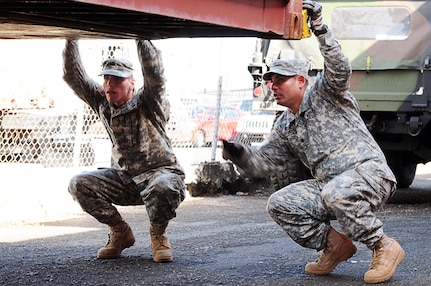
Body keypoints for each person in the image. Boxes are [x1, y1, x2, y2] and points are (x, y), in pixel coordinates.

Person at [222, 0, 405, 283]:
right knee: (280, 203)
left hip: (369, 175)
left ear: (300, 81)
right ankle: (335, 247)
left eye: (279, 80)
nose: (272, 86)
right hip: (331, 185)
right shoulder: (285, 125)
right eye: (270, 80)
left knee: (335, 192)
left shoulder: (327, 94)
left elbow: (340, 68)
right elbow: (262, 164)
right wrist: (237, 152)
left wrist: (319, 28)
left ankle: (383, 246)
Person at [63, 39, 186, 262]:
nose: (110, 84)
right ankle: (120, 232)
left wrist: (140, 36)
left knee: (162, 187)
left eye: (117, 79)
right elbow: (74, 77)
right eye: (107, 78)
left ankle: (158, 234)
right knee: (79, 184)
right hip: (126, 180)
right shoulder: (103, 103)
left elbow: (155, 76)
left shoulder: (149, 102)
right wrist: (72, 37)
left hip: (161, 175)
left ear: (132, 83)